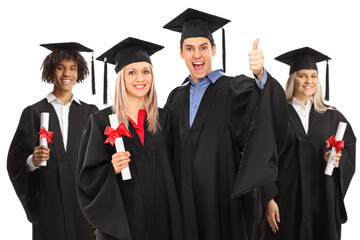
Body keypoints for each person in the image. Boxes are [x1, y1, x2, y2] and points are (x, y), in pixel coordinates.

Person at [163, 8, 289, 240]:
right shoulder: (175, 97)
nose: (197, 55)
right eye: (189, 48)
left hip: (221, 201)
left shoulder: (233, 89)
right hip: (184, 204)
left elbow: (263, 113)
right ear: (181, 53)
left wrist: (260, 76)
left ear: (213, 49)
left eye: (203, 47)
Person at [77, 37, 183, 240]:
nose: (140, 78)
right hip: (124, 224)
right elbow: (86, 179)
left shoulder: (165, 119)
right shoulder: (100, 122)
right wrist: (111, 169)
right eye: (132, 72)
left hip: (163, 220)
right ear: (120, 78)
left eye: (145, 71)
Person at [262, 47, 356, 240]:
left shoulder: (332, 116)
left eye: (313, 76)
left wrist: (336, 160)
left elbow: (348, 149)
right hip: (286, 200)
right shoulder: (277, 114)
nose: (308, 81)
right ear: (292, 79)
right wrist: (268, 198)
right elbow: (263, 158)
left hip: (322, 200)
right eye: (302, 75)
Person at [7, 42, 99, 240]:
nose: (67, 74)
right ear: (51, 71)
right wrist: (33, 160)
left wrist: (100, 214)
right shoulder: (34, 112)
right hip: (49, 206)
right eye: (60, 68)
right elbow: (14, 161)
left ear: (79, 72)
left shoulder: (90, 113)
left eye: (72, 68)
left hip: (82, 207)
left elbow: (100, 164)